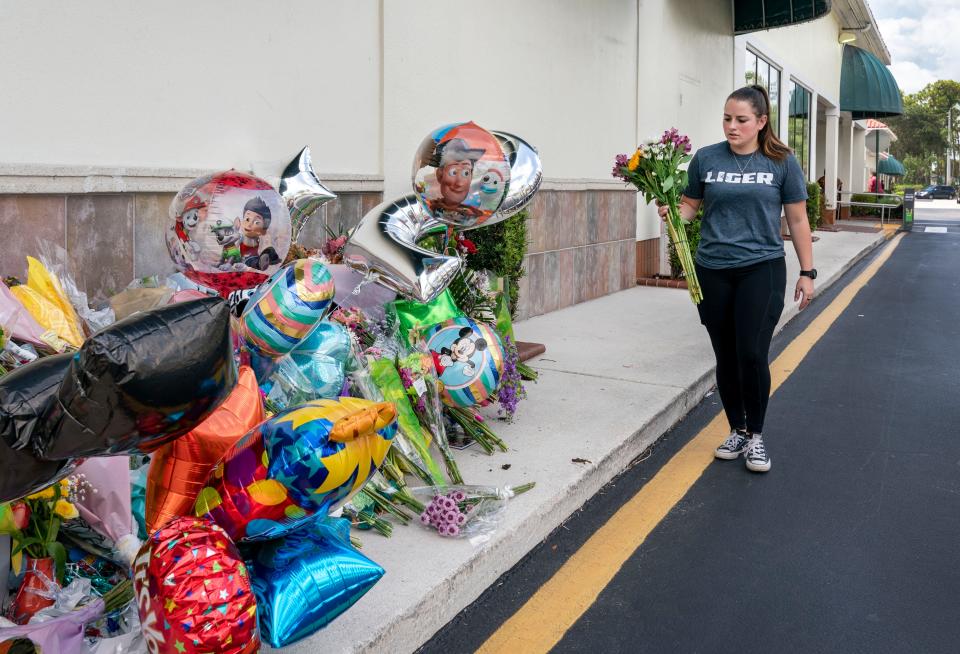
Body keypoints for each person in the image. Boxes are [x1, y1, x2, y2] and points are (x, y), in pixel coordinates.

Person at [659, 84, 814, 473]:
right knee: (725, 355)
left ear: (761, 122)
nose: (732, 126)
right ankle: (737, 429)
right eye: (727, 119)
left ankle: (757, 437)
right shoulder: (706, 158)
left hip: (761, 268)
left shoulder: (781, 162)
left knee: (750, 351)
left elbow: (796, 219)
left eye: (741, 120)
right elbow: (692, 206)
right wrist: (674, 214)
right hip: (712, 269)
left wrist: (807, 272)